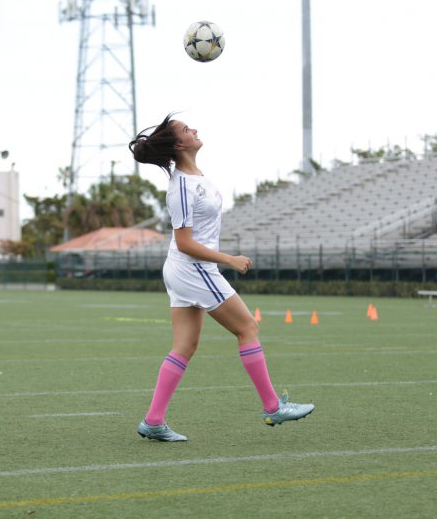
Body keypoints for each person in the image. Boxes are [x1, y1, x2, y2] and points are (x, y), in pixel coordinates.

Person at [128, 113, 314, 442]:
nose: (195, 129)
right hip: (192, 267)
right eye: (187, 129)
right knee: (247, 328)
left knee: (184, 346)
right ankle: (272, 408)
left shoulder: (195, 177)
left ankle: (153, 420)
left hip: (187, 268)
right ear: (179, 144)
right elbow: (185, 242)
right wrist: (229, 259)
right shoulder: (182, 187)